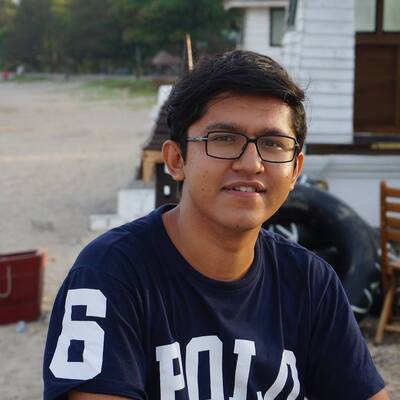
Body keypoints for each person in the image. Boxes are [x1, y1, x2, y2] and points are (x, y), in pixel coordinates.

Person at [43, 50, 389, 400]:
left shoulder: (310, 282)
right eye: (224, 138)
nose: (251, 164)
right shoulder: (110, 275)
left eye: (272, 143)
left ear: (295, 170)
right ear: (176, 160)